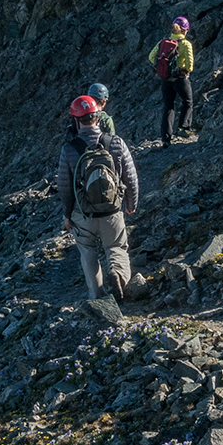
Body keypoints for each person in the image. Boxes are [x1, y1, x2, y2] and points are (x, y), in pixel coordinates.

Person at [58, 95, 138, 301]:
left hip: (83, 213)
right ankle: (118, 275)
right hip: (112, 210)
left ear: (76, 121)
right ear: (98, 118)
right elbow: (130, 176)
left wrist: (67, 215)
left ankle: (98, 297)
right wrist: (131, 203)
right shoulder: (116, 143)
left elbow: (65, 187)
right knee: (116, 247)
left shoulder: (69, 149)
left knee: (88, 253)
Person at [149, 16, 196, 145]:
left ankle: (165, 138)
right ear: (185, 30)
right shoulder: (185, 44)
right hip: (180, 79)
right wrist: (182, 69)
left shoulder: (162, 42)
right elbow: (190, 66)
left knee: (168, 107)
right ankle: (183, 128)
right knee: (188, 102)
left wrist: (161, 67)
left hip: (165, 79)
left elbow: (151, 56)